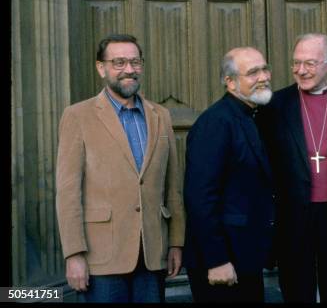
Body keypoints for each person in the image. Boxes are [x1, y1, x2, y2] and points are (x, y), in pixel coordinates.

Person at [55, 34, 185, 302]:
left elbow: (173, 187)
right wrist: (74, 254)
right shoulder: (78, 116)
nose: (129, 69)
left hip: (152, 253)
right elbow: (68, 193)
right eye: (119, 62)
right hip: (101, 257)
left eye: (135, 62)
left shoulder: (161, 115)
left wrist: (176, 242)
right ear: (101, 68)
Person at [260, 34, 327, 302]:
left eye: (310, 63)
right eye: (296, 63)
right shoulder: (274, 104)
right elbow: (267, 161)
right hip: (293, 215)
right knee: (297, 290)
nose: (301, 70)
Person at [183, 47, 275, 303]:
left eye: (265, 69)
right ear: (230, 82)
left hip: (246, 257)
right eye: (253, 72)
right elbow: (200, 198)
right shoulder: (215, 123)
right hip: (223, 263)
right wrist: (217, 260)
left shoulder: (253, 114)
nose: (264, 77)